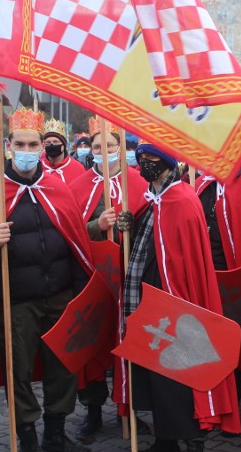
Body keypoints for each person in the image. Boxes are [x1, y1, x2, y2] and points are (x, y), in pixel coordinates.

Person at [0, 107, 94, 452]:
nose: (27, 150)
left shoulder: (57, 187)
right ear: (8, 146)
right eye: (20, 144)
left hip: (60, 296)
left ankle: (55, 433)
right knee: (18, 371)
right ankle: (26, 436)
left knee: (62, 367)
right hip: (17, 300)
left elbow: (76, 240)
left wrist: (80, 290)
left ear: (41, 145)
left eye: (32, 144)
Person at [119, 141, 240, 452]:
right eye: (141, 158)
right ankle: (165, 438)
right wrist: (128, 228)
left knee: (178, 371)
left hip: (175, 298)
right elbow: (148, 245)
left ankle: (190, 435)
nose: (145, 164)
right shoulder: (154, 199)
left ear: (167, 163)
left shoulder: (182, 199)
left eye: (151, 159)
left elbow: (185, 257)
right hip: (152, 296)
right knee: (157, 370)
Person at [69, 119, 148, 438]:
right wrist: (96, 225)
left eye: (110, 147)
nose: (104, 152)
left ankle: (127, 408)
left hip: (130, 281)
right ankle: (93, 409)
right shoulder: (77, 186)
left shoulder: (139, 183)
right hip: (94, 279)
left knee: (128, 342)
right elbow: (69, 234)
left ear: (122, 148)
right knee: (94, 345)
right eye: (98, 147)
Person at [195, 153, 241, 400]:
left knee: (235, 338)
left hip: (235, 280)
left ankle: (236, 388)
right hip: (205, 276)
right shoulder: (201, 184)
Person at [40, 118, 85, 184]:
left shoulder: (78, 167)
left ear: (63, 145)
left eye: (55, 142)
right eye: (48, 142)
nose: (51, 145)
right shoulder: (37, 166)